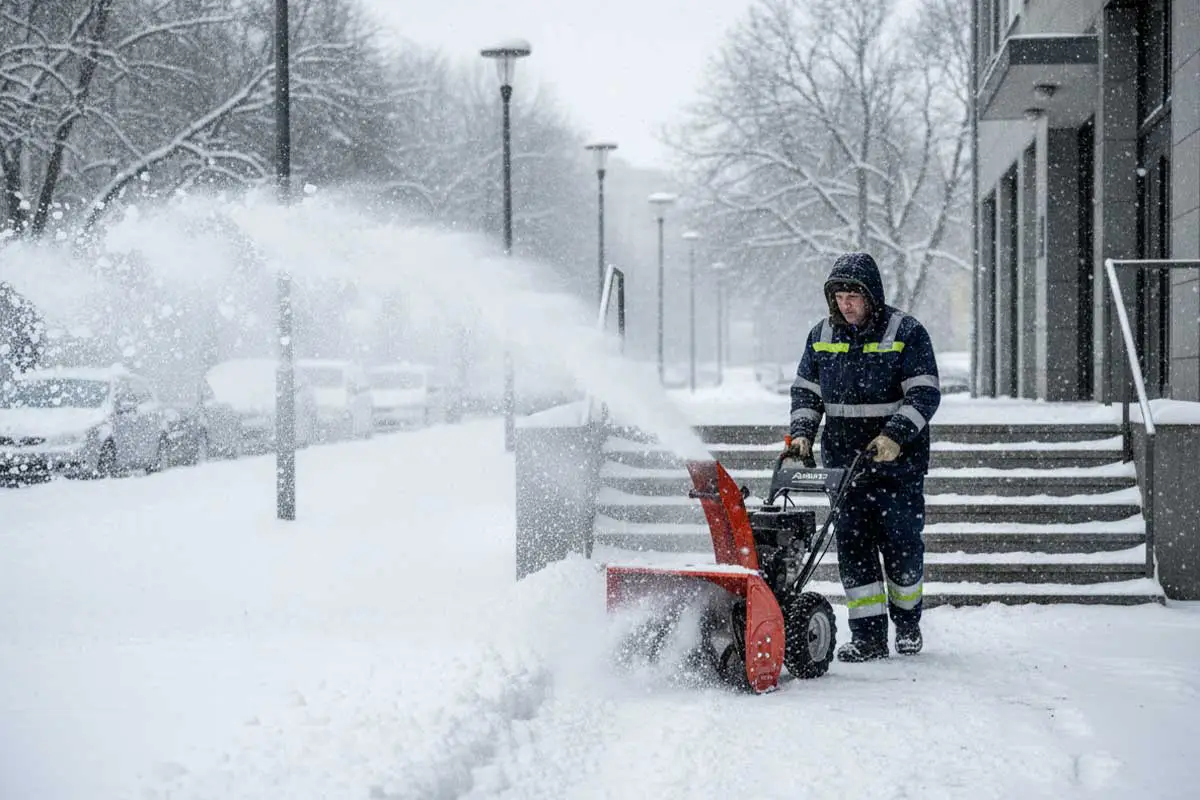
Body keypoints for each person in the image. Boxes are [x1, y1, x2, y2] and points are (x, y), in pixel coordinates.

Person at [783, 252, 941, 662]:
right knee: (853, 549)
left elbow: (924, 393)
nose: (846, 304)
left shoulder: (906, 331)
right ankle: (868, 637)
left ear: (872, 295)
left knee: (903, 546)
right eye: (839, 296)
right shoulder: (820, 335)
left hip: (897, 467)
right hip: (844, 467)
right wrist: (801, 436)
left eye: (854, 295)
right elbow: (806, 393)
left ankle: (907, 625)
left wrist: (895, 436)